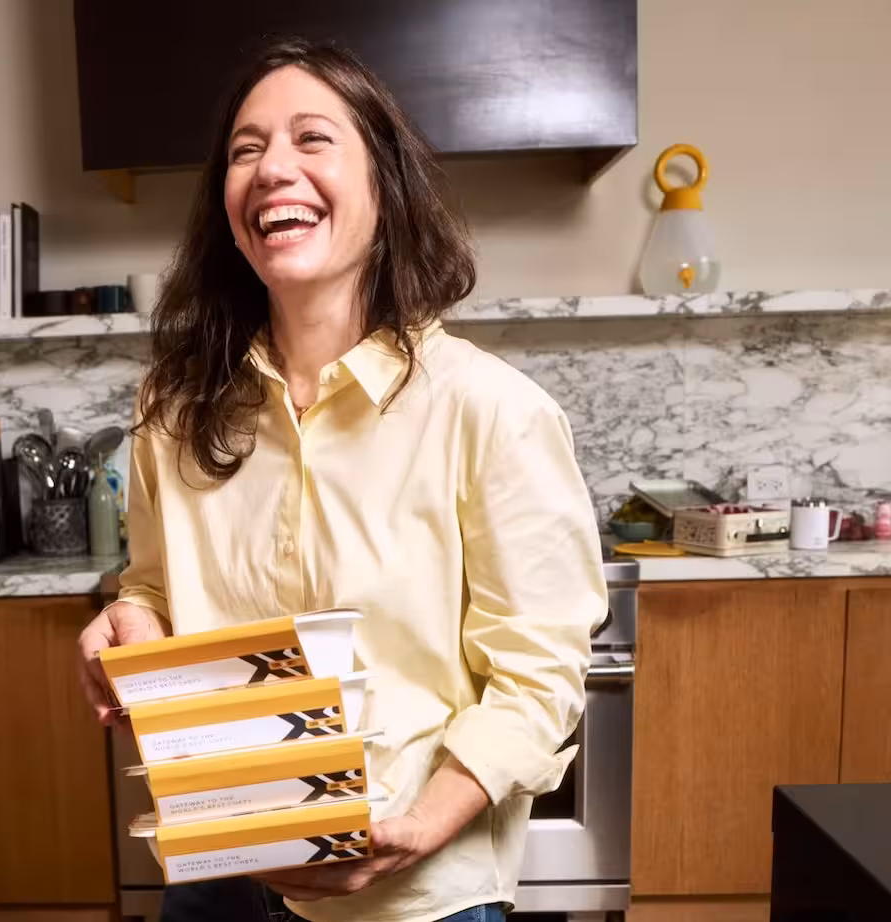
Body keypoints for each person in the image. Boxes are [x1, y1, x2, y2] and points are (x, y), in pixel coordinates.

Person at [78, 38, 608, 922]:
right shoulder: (173, 407)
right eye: (246, 151)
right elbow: (152, 586)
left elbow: (540, 674)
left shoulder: (491, 410)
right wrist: (127, 620)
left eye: (311, 139)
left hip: (412, 889)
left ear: (384, 187)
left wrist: (425, 824)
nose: (272, 168)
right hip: (218, 867)